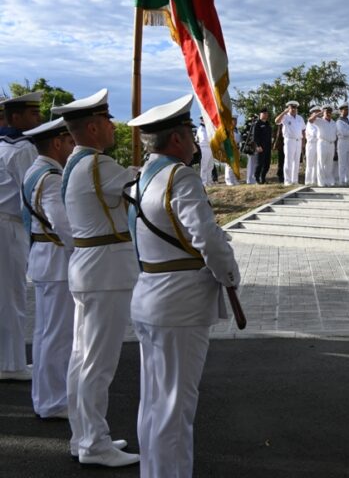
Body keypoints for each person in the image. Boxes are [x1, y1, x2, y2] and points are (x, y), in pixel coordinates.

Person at [126, 95, 240, 478]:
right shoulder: (181, 176)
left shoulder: (144, 175)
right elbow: (205, 236)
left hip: (149, 294)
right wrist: (230, 275)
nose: (195, 141)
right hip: (179, 303)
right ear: (176, 139)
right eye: (191, 133)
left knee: (155, 403)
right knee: (176, 408)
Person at [52, 89, 140, 467]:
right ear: (92, 126)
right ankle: (93, 443)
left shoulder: (76, 163)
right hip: (104, 270)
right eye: (107, 120)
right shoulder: (97, 166)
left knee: (82, 358)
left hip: (91, 267)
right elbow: (139, 186)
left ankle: (84, 436)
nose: (113, 125)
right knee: (97, 363)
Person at [22, 118, 76, 419]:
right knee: (58, 336)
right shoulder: (52, 177)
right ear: (57, 143)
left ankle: (44, 398)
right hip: (57, 260)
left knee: (45, 334)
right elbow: (63, 224)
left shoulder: (34, 170)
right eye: (68, 142)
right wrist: (81, 250)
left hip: (44, 257)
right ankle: (55, 401)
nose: (71, 148)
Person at [0, 91, 42, 381]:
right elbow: (33, 194)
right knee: (12, 296)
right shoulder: (24, 149)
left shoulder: (3, 145)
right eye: (32, 114)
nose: (38, 119)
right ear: (16, 118)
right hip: (10, 225)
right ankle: (12, 364)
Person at [275, 101, 306, 185]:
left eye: (294, 108)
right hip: (289, 140)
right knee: (289, 160)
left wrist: (303, 142)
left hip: (298, 141)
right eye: (291, 108)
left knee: (296, 161)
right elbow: (276, 121)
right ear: (288, 108)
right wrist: (284, 112)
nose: (293, 109)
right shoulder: (285, 117)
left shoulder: (300, 118)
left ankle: (294, 180)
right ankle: (287, 180)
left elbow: (303, 130)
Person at [312, 105, 337, 187]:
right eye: (327, 112)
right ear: (324, 112)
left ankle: (328, 181)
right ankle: (321, 182)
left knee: (329, 163)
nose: (328, 114)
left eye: (330, 112)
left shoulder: (333, 122)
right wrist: (319, 113)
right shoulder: (319, 120)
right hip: (323, 143)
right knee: (321, 163)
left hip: (331, 144)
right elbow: (310, 120)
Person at [252, 108, 272, 184]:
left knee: (267, 164)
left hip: (268, 147)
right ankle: (257, 178)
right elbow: (255, 137)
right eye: (264, 113)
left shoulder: (268, 124)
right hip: (260, 147)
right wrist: (258, 146)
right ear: (260, 114)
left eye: (266, 113)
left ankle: (263, 177)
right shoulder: (257, 124)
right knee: (260, 164)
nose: (265, 114)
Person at [336, 103, 349, 186]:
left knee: (348, 163)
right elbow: (343, 133)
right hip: (342, 142)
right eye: (345, 110)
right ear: (341, 111)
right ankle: (341, 181)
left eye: (348, 110)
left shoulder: (348, 121)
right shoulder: (339, 121)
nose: (347, 111)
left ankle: (347, 180)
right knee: (342, 162)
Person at [304, 106, 320, 185]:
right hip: (311, 144)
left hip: (318, 144)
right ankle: (308, 181)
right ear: (312, 113)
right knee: (310, 163)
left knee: (317, 163)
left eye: (318, 112)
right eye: (316, 112)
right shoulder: (309, 123)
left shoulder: (319, 122)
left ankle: (315, 180)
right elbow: (314, 133)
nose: (317, 114)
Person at [196, 117, 213, 185]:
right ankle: (203, 182)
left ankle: (209, 181)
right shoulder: (201, 129)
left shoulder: (207, 128)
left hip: (210, 147)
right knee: (204, 166)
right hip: (204, 148)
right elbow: (204, 139)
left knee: (210, 165)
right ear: (202, 120)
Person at [224, 117, 241, 186]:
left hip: (236, 148)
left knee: (235, 165)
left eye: (236, 120)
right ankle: (228, 180)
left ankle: (234, 179)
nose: (235, 122)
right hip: (229, 148)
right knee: (229, 165)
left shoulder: (236, 130)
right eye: (234, 120)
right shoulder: (227, 130)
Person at [241, 115, 257, 185]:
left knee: (255, 163)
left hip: (255, 147)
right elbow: (245, 136)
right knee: (250, 164)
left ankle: (253, 178)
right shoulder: (248, 126)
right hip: (249, 148)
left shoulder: (254, 126)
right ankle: (249, 180)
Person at [272, 116, 285, 183]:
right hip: (281, 144)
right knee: (281, 161)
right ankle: (280, 175)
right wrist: (275, 144)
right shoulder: (281, 123)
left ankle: (285, 175)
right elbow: (278, 134)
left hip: (290, 143)